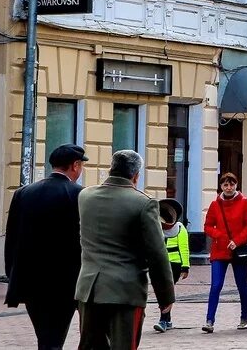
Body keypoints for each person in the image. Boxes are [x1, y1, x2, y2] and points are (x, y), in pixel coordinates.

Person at [75, 150, 175, 349]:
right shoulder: (144, 203)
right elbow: (157, 255)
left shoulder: (85, 196)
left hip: (89, 289)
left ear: (111, 168)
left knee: (90, 346)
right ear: (136, 175)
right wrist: (165, 296)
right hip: (125, 291)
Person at [4, 144, 87, 350]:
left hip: (30, 279)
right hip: (66, 281)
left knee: (45, 337)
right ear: (75, 165)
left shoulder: (24, 193)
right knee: (55, 338)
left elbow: (12, 238)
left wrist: (12, 274)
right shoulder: (80, 195)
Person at [202, 172, 247, 333]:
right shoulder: (215, 205)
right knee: (216, 285)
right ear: (221, 187)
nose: (229, 188)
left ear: (236, 185)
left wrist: (237, 241)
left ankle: (244, 317)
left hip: (238, 250)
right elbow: (208, 226)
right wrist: (221, 237)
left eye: (231, 184)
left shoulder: (244, 202)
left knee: (241, 285)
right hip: (220, 250)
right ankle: (209, 320)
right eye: (225, 185)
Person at [152, 200, 190, 333]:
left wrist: (185, 267)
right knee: (162, 291)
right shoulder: (156, 227)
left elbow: (184, 248)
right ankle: (167, 320)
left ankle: (163, 320)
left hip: (174, 265)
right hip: (159, 263)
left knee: (166, 291)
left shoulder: (180, 228)